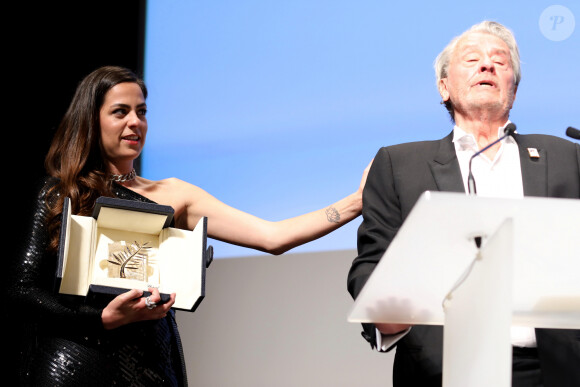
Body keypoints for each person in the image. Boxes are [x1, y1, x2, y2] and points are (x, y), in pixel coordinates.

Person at [10, 65, 371, 386]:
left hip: (151, 365)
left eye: (141, 112)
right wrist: (101, 319)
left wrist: (355, 201)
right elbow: (22, 290)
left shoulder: (175, 194)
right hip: (76, 365)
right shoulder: (60, 193)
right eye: (120, 112)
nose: (135, 122)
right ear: (91, 120)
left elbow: (272, 237)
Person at [348, 21, 580, 387]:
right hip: (445, 370)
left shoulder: (567, 155)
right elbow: (372, 265)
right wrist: (387, 310)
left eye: (500, 62)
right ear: (444, 87)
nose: (487, 66)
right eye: (472, 59)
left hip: (554, 369)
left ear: (513, 90)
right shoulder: (400, 164)